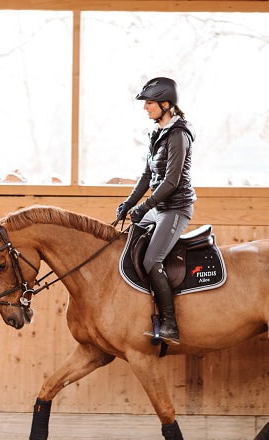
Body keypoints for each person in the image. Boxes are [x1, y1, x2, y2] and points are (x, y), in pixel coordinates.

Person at [116, 76, 196, 345]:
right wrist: (129, 204)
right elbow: (146, 176)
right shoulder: (156, 134)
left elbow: (171, 182)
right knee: (125, 241)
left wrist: (144, 206)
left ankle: (171, 324)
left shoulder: (178, 135)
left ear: (165, 104)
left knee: (152, 261)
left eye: (149, 103)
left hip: (175, 208)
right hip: (158, 207)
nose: (145, 107)